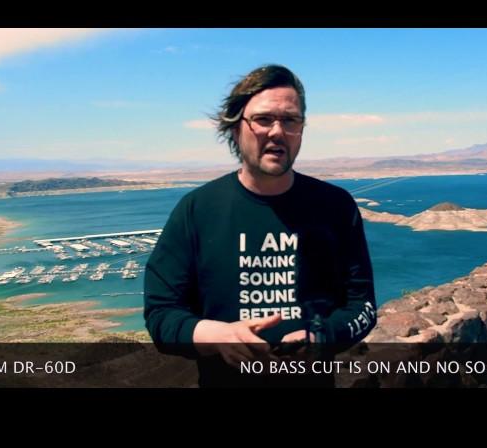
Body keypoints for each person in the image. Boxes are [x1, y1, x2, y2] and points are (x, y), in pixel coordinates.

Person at [144, 64, 376, 387]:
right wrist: (217, 335)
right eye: (263, 119)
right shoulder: (196, 210)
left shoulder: (336, 207)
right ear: (236, 128)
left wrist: (323, 335)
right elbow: (160, 314)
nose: (278, 132)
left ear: (301, 130)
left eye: (290, 120)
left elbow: (362, 305)